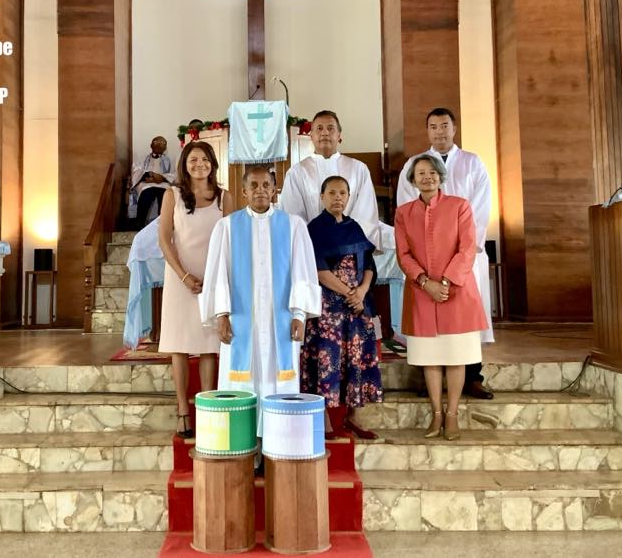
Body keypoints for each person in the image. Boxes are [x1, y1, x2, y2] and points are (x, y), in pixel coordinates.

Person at [198, 164, 322, 438]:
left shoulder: (293, 225)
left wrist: (299, 315)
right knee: (242, 379)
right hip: (242, 321)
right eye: (253, 186)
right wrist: (221, 314)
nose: (260, 191)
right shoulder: (227, 227)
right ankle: (242, 440)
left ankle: (278, 441)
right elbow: (218, 273)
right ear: (243, 191)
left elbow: (302, 271)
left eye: (266, 185)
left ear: (275, 189)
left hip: (281, 319)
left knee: (279, 378)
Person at [396, 108, 494, 400]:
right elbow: (407, 207)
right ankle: (429, 379)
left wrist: (460, 261)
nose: (439, 131)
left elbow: (480, 206)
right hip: (425, 263)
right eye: (433, 126)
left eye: (444, 125)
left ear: (454, 128)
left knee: (464, 327)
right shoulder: (414, 164)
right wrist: (427, 275)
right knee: (427, 323)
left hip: (463, 258)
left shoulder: (473, 162)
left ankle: (473, 377)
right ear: (427, 130)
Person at [395, 154, 489, 440]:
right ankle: (436, 414)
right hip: (421, 293)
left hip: (456, 292)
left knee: (456, 357)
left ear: (440, 176)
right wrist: (426, 283)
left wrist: (445, 282)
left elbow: (467, 248)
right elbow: (403, 255)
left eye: (432, 172)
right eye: (421, 173)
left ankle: (452, 415)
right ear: (413, 180)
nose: (427, 177)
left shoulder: (460, 206)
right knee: (431, 359)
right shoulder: (404, 213)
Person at [157, 141, 233, 438]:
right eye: (193, 159)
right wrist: (184, 275)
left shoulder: (224, 197)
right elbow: (164, 239)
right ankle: (183, 411)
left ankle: (207, 409)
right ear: (184, 164)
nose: (199, 164)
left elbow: (231, 240)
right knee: (179, 344)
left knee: (208, 345)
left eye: (204, 159)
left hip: (212, 279)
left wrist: (219, 279)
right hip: (180, 277)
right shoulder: (172, 195)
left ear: (213, 163)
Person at [301, 176, 382, 439]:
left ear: (348, 197)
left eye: (342, 193)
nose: (338, 197)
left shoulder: (354, 226)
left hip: (357, 307)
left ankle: (353, 416)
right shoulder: (315, 228)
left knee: (355, 359)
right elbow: (318, 270)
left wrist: (362, 292)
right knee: (328, 360)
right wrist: (349, 292)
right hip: (329, 308)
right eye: (332, 193)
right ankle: (323, 418)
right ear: (322, 197)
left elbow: (369, 264)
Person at [279, 110, 388, 250]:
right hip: (312, 248)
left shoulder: (359, 169)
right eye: (319, 128)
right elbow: (293, 216)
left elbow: (365, 213)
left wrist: (346, 242)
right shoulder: (296, 173)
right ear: (311, 136)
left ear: (339, 135)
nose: (325, 133)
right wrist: (313, 244)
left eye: (330, 128)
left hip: (350, 247)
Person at [131, 136, 175, 227]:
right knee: (146, 194)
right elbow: (137, 171)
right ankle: (140, 222)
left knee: (165, 195)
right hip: (146, 183)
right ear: (151, 145)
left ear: (165, 148)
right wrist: (149, 175)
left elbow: (174, 174)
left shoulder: (169, 160)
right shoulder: (143, 158)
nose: (159, 146)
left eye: (162, 144)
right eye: (157, 143)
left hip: (163, 184)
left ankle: (162, 223)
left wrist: (162, 177)